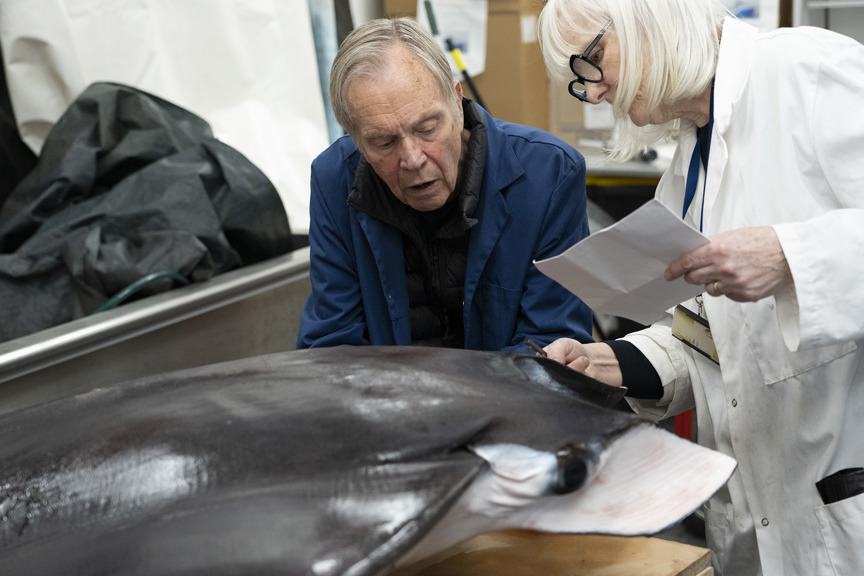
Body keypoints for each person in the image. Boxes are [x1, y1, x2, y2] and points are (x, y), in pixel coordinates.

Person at [537, 0, 864, 574]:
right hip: (749, 522)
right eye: (576, 80)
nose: (590, 92)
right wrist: (611, 362)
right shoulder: (687, 168)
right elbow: (709, 337)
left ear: (649, 18)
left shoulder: (805, 72)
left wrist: (788, 256)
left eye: (588, 61)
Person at [297, 17, 594, 352]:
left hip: (510, 403)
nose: (412, 159)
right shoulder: (335, 178)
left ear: (457, 101)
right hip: (391, 402)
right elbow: (330, 347)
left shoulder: (549, 174)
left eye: (427, 128)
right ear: (354, 140)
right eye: (383, 143)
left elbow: (553, 345)